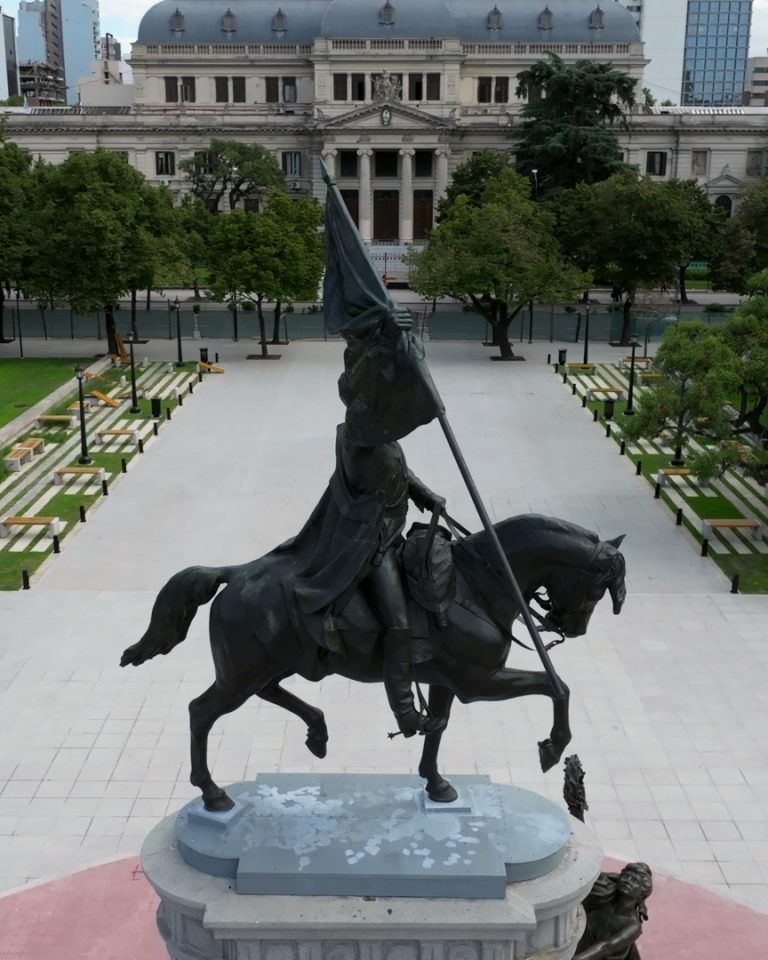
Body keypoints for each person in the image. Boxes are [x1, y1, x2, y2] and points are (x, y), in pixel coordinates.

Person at [284, 319, 446, 738]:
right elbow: (374, 379)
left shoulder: (378, 433)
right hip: (372, 546)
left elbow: (396, 470)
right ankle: (405, 712)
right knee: (399, 623)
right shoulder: (360, 435)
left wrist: (424, 494)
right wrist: (387, 341)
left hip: (392, 533)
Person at [574, 862, 653, 960]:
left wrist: (577, 958)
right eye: (626, 876)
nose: (628, 881)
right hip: (581, 945)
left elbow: (607, 946)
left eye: (634, 881)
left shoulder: (633, 926)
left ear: (641, 893)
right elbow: (595, 876)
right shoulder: (604, 896)